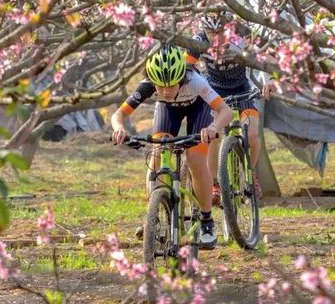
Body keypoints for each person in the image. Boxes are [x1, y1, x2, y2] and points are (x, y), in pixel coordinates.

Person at [111, 44, 233, 249]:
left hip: (198, 109)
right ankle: (153, 215)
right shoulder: (149, 84)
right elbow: (119, 114)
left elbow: (225, 111)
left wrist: (213, 127)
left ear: (181, 79)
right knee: (158, 153)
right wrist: (119, 129)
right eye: (160, 87)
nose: (165, 91)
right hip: (168, 111)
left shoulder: (195, 81)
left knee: (195, 159)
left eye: (170, 86)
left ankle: (206, 221)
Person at [186, 13, 275, 205]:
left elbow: (264, 59)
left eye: (220, 32)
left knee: (251, 135)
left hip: (242, 87)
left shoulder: (240, 37)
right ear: (204, 31)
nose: (216, 37)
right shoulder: (198, 41)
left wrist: (269, 82)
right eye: (211, 33)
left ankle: (250, 175)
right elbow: (187, 67)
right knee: (212, 135)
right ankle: (215, 184)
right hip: (214, 90)